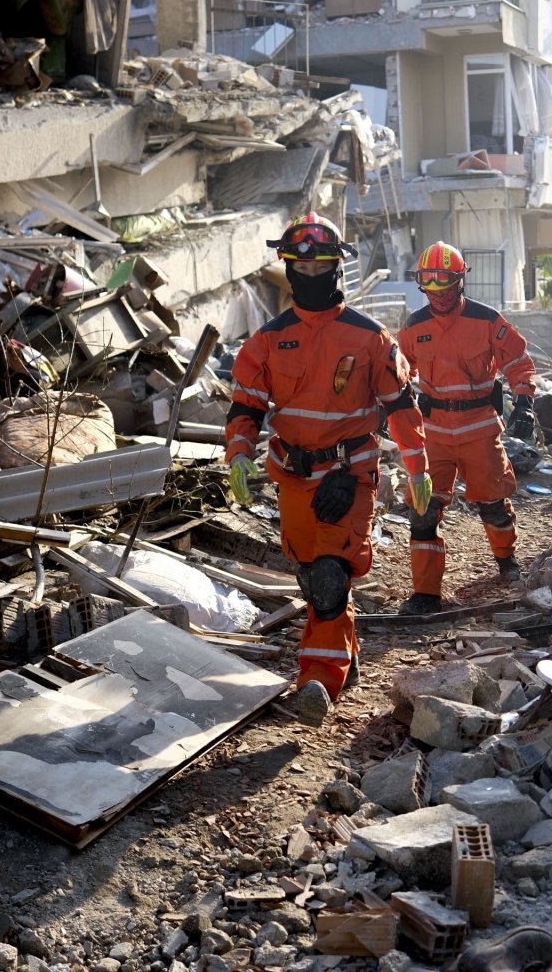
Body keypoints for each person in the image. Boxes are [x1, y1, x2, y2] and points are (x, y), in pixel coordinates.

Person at [226, 213, 433, 726]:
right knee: (309, 572)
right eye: (302, 265)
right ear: (287, 268)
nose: (312, 274)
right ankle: (347, 650)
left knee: (329, 577)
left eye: (323, 265)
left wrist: (417, 466)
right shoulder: (267, 342)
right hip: (294, 476)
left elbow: (401, 406)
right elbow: (245, 408)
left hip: (351, 474)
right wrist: (238, 454)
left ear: (339, 267)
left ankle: (318, 679)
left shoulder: (370, 338)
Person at [398, 242, 537, 616]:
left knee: (492, 504)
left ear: (461, 281)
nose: (439, 295)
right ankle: (426, 593)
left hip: (479, 428)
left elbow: (519, 362)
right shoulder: (414, 327)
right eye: (431, 287)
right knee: (423, 509)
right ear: (422, 286)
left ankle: (506, 558)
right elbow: (396, 372)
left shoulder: (487, 319)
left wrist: (524, 401)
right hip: (434, 432)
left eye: (445, 286)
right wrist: (389, 405)